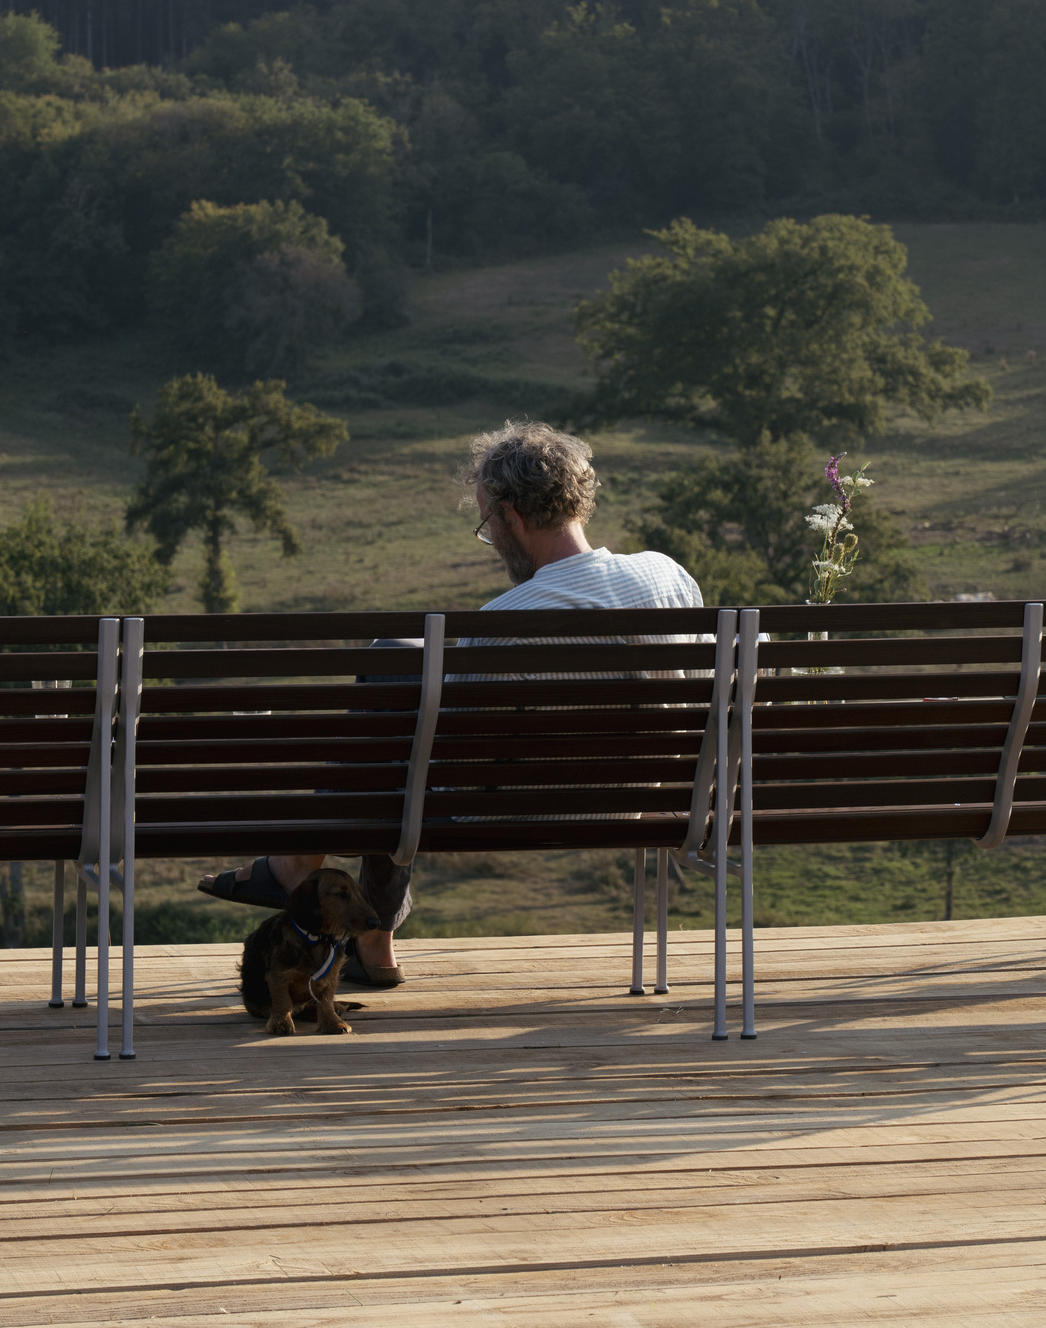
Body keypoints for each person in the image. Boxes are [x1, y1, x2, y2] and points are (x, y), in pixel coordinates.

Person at [198, 421, 702, 984]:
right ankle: (366, 938)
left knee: (395, 689)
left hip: (514, 811)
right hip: (636, 801)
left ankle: (309, 878)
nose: (492, 541)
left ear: (512, 516)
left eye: (488, 524)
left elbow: (447, 758)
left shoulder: (508, 620)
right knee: (403, 689)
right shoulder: (669, 577)